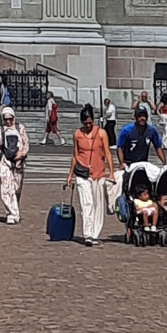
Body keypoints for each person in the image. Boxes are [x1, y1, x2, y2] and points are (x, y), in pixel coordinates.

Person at [71, 104, 114, 246]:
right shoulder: (77, 134)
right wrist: (70, 175)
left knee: (98, 204)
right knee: (86, 203)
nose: (88, 126)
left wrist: (112, 173)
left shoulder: (101, 133)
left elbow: (107, 153)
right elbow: (75, 155)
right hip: (82, 173)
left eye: (90, 123)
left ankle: (95, 233)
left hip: (99, 173)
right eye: (85, 123)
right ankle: (88, 234)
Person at [0, 104, 30, 224]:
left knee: (16, 188)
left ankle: (14, 209)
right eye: (5, 119)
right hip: (4, 161)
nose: (8, 121)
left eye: (10, 118)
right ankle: (12, 214)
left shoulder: (20, 128)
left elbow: (26, 143)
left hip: (18, 161)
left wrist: (21, 154)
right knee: (6, 187)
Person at [117, 103, 164, 169]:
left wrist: (165, 163)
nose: (142, 118)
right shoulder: (127, 130)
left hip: (143, 163)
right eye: (139, 116)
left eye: (144, 116)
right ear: (135, 117)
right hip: (129, 163)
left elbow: (158, 147)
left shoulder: (152, 131)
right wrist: (121, 163)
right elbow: (120, 148)